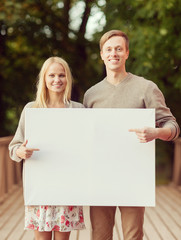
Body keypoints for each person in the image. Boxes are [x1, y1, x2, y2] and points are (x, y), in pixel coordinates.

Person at [83, 30, 180, 240]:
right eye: (108, 49)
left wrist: (157, 132)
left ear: (127, 53)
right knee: (99, 235)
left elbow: (172, 126)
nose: (113, 53)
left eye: (119, 49)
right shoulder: (91, 95)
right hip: (101, 176)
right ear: (101, 54)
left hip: (134, 175)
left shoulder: (146, 88)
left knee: (133, 235)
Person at [9, 56, 85, 240]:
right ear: (44, 78)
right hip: (40, 187)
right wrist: (20, 151)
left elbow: (86, 148)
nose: (57, 80)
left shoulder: (79, 110)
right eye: (52, 75)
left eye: (62, 75)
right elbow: (14, 146)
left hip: (68, 187)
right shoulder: (31, 110)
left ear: (68, 79)